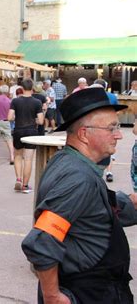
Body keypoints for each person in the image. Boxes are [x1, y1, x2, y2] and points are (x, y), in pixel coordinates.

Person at [22, 87, 137, 303]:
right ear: (84, 134)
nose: (119, 135)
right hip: (88, 292)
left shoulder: (71, 162)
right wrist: (52, 295)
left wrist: (127, 203)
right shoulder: (77, 178)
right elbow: (42, 240)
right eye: (112, 128)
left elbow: (87, 208)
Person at [8, 78, 44, 193]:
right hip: (31, 132)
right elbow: (41, 121)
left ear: (22, 88)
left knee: (18, 156)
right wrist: (34, 120)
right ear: (32, 88)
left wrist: (16, 117)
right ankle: (25, 185)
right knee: (28, 159)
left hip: (18, 130)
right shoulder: (37, 102)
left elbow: (9, 117)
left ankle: (18, 179)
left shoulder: (15, 101)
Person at [94, 79, 118, 182]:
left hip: (95, 127)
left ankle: (96, 170)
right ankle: (109, 172)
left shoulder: (91, 97)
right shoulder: (112, 96)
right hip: (110, 125)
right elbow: (117, 111)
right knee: (110, 149)